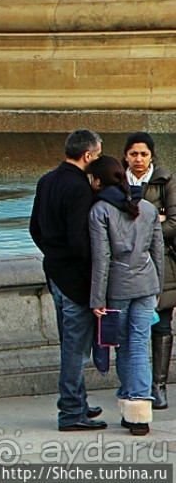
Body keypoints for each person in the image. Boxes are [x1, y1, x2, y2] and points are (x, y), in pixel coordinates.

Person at [30, 128, 106, 431]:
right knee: (76, 349)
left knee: (70, 344)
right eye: (98, 155)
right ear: (87, 155)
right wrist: (92, 278)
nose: (98, 161)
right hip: (75, 280)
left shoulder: (46, 180)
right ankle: (71, 412)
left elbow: (34, 228)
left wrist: (52, 255)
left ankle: (80, 401)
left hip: (55, 273)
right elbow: (80, 241)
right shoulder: (79, 188)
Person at [88, 155, 164, 436]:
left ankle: (131, 399)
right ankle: (140, 407)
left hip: (117, 288)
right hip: (147, 284)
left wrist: (97, 299)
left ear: (99, 181)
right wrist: (158, 287)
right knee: (140, 345)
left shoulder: (99, 211)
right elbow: (158, 252)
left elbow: (102, 259)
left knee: (122, 345)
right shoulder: (147, 208)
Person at [122, 131, 176, 409]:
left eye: (143, 154)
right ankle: (134, 384)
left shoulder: (166, 182)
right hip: (127, 266)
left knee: (162, 324)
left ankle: (159, 385)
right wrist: (157, 221)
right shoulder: (118, 182)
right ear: (125, 156)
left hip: (162, 263)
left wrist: (143, 232)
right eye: (133, 154)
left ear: (152, 156)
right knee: (130, 327)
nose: (139, 159)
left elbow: (175, 223)